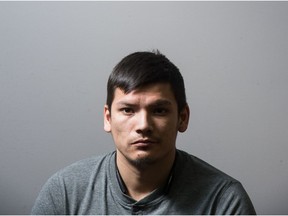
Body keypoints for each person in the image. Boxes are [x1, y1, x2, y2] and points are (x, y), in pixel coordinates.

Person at [31, 50, 256, 215]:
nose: (143, 125)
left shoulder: (224, 201)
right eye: (128, 110)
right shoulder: (65, 192)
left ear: (182, 117)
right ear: (108, 118)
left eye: (159, 110)